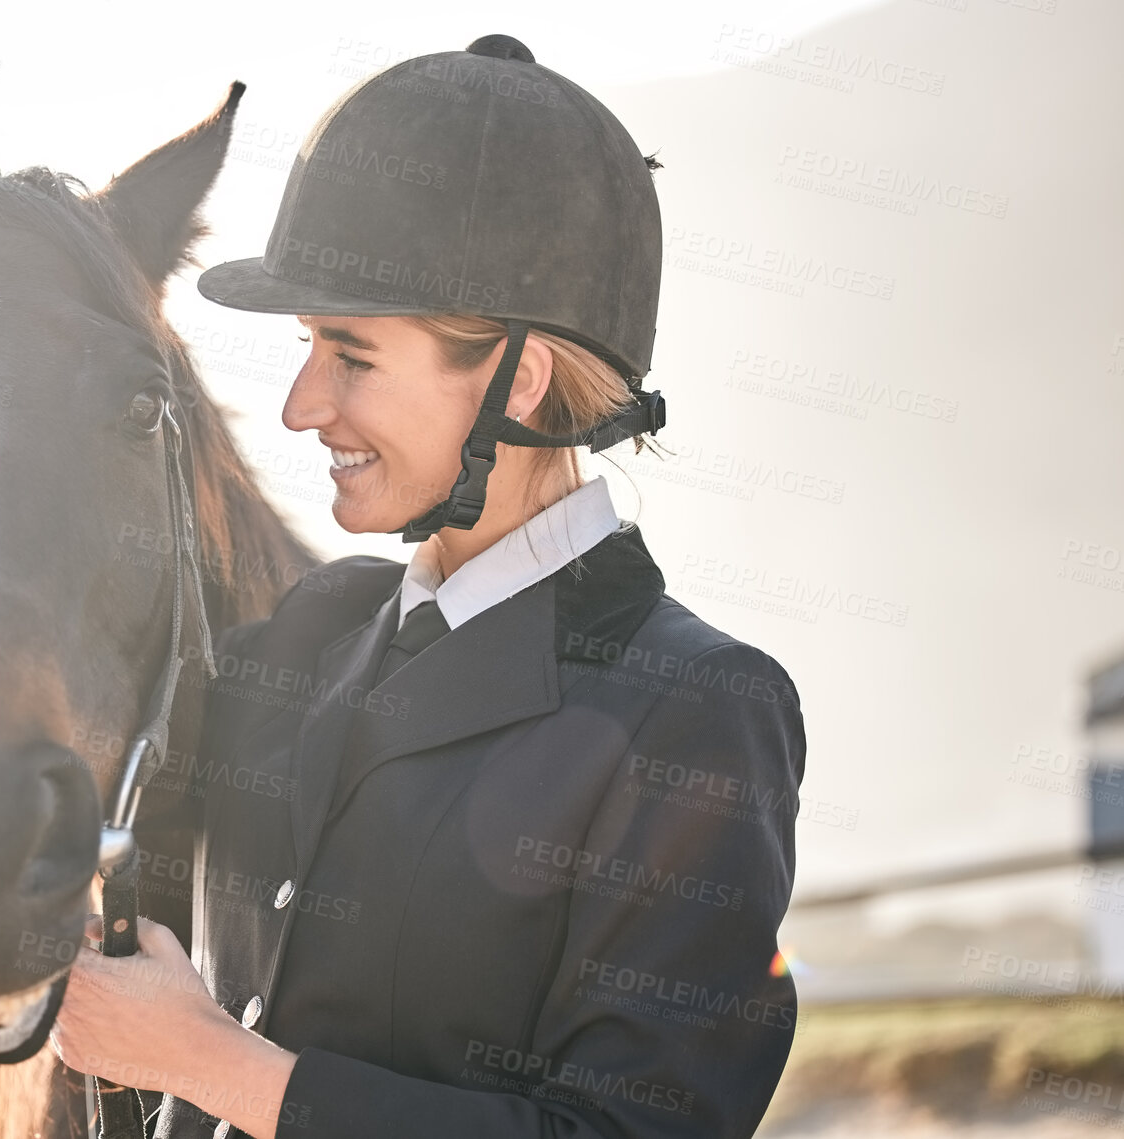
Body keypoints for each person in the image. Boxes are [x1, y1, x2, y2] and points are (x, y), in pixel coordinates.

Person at [50, 34, 807, 1139]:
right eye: (308, 348)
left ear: (520, 377)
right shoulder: (308, 635)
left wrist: (217, 1065)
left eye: (351, 356)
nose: (303, 404)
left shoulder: (696, 709)